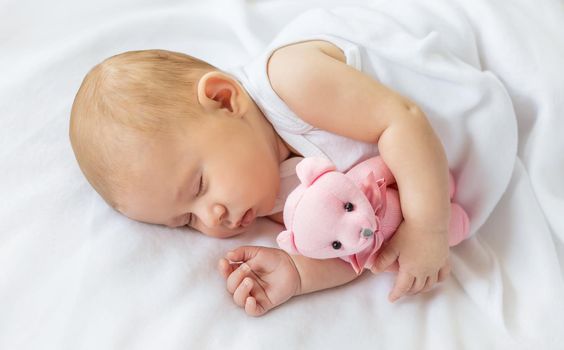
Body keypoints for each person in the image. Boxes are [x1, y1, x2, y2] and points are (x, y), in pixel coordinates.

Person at [69, 7, 453, 317]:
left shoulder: (292, 81)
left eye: (199, 186)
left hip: (448, 77)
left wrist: (427, 228)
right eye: (188, 221)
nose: (212, 218)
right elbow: (357, 241)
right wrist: (298, 273)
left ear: (223, 99)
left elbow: (402, 121)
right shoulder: (267, 193)